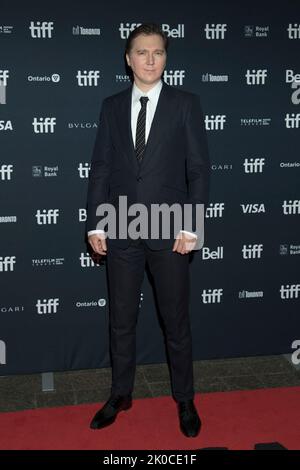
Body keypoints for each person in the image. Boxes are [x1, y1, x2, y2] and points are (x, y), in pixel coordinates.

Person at [86, 23, 210, 438]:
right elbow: (101, 167)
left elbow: (197, 169)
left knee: (175, 321)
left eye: (158, 52)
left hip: (170, 229)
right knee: (121, 319)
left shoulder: (185, 104)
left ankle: (185, 399)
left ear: (165, 57)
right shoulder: (110, 106)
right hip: (121, 226)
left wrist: (192, 226)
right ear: (128, 58)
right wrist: (97, 222)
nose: (150, 60)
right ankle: (121, 393)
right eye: (142, 52)